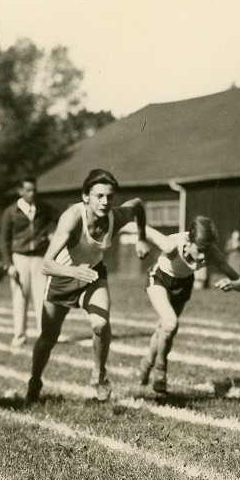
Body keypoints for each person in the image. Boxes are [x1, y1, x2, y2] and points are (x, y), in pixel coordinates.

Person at [26, 169, 148, 403]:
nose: (105, 202)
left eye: (110, 197)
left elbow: (138, 204)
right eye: (98, 196)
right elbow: (46, 265)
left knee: (101, 324)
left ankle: (99, 374)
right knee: (48, 338)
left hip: (92, 274)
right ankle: (34, 381)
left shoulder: (116, 216)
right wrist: (73, 271)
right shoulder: (73, 217)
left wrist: (141, 238)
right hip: (61, 277)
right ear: (86, 197)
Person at [134, 217, 240, 393]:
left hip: (183, 284)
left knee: (165, 331)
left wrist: (233, 285)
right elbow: (142, 227)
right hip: (160, 278)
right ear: (189, 241)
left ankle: (147, 361)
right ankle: (160, 370)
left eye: (207, 250)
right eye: (200, 250)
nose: (203, 256)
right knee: (170, 323)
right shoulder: (172, 245)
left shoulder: (211, 253)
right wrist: (140, 240)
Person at [0, 176, 53, 347]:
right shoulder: (11, 212)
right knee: (20, 297)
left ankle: (44, 335)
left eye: (34, 189)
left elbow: (59, 218)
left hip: (39, 256)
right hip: (20, 257)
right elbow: (4, 240)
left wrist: (51, 232)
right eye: (28, 190)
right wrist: (9, 264)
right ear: (20, 191)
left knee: (42, 297)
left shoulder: (44, 208)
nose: (32, 193)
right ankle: (19, 336)